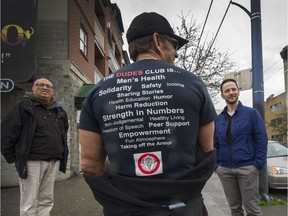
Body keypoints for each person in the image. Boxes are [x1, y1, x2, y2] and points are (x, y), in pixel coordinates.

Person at [79, 12, 217, 216]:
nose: (176, 54)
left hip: (125, 209)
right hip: (183, 207)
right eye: (174, 46)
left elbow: (90, 165)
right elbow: (206, 150)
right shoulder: (193, 83)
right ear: (157, 42)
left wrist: (119, 199)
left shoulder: (98, 92)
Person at [1, 78, 69, 216]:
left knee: (46, 199)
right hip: (31, 161)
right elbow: (6, 133)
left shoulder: (58, 110)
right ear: (33, 88)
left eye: (48, 86)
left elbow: (64, 130)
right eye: (40, 85)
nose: (45, 88)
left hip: (53, 161)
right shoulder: (23, 107)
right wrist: (15, 158)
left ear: (52, 90)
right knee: (29, 201)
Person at [214, 78, 268, 216]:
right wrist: (217, 166)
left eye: (233, 89)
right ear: (222, 95)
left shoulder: (251, 114)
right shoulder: (218, 119)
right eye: (227, 90)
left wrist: (258, 164)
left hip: (247, 168)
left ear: (238, 91)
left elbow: (261, 139)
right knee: (235, 209)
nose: (231, 93)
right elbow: (215, 144)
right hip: (225, 170)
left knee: (252, 210)